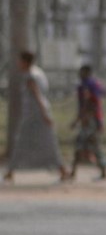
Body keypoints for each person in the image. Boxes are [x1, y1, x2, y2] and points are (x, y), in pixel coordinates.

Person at [3, 50, 70, 183]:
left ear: (25, 62)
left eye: (20, 61)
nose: (18, 64)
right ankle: (10, 171)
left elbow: (38, 96)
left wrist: (44, 114)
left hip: (35, 116)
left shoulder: (30, 76)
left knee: (25, 142)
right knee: (47, 143)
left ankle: (10, 171)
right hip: (37, 114)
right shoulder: (38, 72)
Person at [68, 64, 106, 181]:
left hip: (89, 121)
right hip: (95, 120)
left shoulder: (86, 86)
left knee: (82, 145)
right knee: (93, 146)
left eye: (81, 72)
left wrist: (80, 119)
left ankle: (73, 172)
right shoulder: (95, 84)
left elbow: (87, 103)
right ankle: (102, 172)